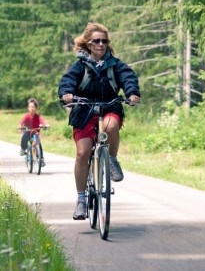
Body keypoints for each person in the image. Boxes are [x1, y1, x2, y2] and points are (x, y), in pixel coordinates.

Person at [58, 22, 140, 220]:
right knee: (82, 153)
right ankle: (81, 200)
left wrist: (132, 93)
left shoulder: (115, 64)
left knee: (111, 127)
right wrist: (67, 93)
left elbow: (128, 77)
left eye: (104, 41)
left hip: (109, 106)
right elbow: (67, 81)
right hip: (84, 110)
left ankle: (111, 159)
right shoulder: (80, 66)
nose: (101, 45)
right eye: (96, 41)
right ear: (88, 44)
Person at [18, 98, 50, 167]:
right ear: (28, 108)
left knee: (39, 144)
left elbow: (43, 122)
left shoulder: (38, 117)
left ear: (36, 108)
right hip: (28, 132)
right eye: (30, 107)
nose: (32, 109)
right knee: (24, 137)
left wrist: (46, 125)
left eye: (33, 107)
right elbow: (21, 123)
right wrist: (20, 126)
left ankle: (41, 159)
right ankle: (23, 149)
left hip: (35, 133)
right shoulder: (26, 116)